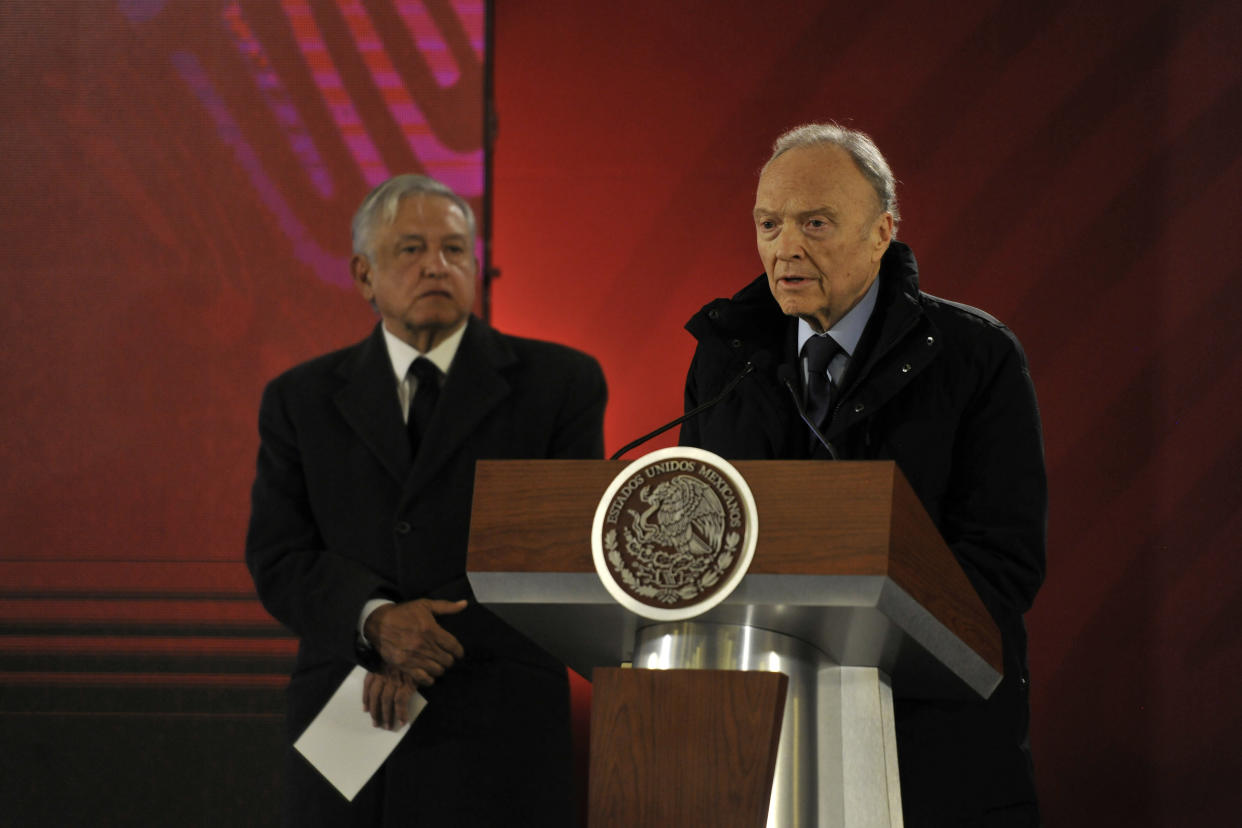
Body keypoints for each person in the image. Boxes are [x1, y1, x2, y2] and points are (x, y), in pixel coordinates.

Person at [679, 123, 1047, 826]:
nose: (785, 248)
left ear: (882, 233)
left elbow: (1004, 563)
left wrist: (853, 642)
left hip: (931, 747)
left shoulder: (975, 356)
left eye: (815, 223)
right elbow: (704, 544)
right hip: (757, 747)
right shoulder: (727, 362)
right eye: (768, 224)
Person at [246, 174, 606, 826]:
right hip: (350, 720)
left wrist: (420, 646)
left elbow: (566, 550)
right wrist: (378, 623)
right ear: (363, 276)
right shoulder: (299, 400)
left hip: (498, 722)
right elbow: (279, 557)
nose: (436, 266)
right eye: (410, 249)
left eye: (454, 250)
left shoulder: (561, 384)